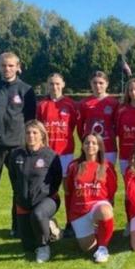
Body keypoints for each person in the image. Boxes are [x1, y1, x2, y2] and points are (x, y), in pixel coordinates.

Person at [0, 52, 36, 243]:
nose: (7, 69)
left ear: (18, 67)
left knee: (19, 189)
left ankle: (16, 227)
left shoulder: (26, 90)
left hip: (17, 148)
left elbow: (30, 119)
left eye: (11, 65)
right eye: (3, 65)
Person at [10, 120, 62, 263]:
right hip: (23, 203)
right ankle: (50, 227)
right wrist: (22, 197)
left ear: (42, 135)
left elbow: (57, 180)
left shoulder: (50, 156)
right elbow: (14, 178)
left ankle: (44, 247)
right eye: (28, 133)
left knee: (38, 214)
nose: (31, 136)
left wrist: (43, 195)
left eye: (35, 132)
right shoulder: (16, 155)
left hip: (47, 200)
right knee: (28, 246)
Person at [36, 73, 78, 236]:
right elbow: (38, 129)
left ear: (63, 84)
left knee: (68, 189)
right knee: (46, 189)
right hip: (46, 154)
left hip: (65, 154)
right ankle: (47, 222)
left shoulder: (71, 105)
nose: (54, 87)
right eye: (51, 83)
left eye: (57, 83)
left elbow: (76, 127)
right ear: (48, 85)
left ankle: (70, 223)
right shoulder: (42, 105)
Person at [65, 134, 117, 263]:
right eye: (87, 143)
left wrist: (108, 210)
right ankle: (97, 230)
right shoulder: (73, 166)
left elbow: (111, 190)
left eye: (94, 143)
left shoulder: (107, 166)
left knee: (105, 211)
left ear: (99, 146)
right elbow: (69, 191)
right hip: (79, 210)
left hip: (97, 205)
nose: (90, 146)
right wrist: (69, 219)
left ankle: (103, 248)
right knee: (87, 248)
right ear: (82, 146)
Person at [77, 71, 119, 164]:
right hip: (90, 148)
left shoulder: (114, 103)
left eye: (101, 83)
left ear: (107, 84)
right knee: (90, 174)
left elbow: (117, 126)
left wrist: (110, 137)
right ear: (90, 84)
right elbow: (79, 128)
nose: (98, 85)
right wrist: (86, 142)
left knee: (108, 175)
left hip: (109, 147)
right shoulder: (84, 103)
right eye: (94, 83)